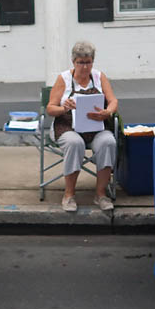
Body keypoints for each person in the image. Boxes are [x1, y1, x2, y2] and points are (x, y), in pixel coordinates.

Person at [45, 41, 119, 212]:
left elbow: (113, 101)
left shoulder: (99, 77)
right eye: (80, 63)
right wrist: (64, 108)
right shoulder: (64, 79)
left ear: (93, 61)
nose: (85, 67)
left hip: (96, 127)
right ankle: (69, 195)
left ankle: (101, 194)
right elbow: (50, 108)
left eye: (88, 62)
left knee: (108, 142)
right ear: (73, 62)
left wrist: (107, 112)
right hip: (67, 127)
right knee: (74, 143)